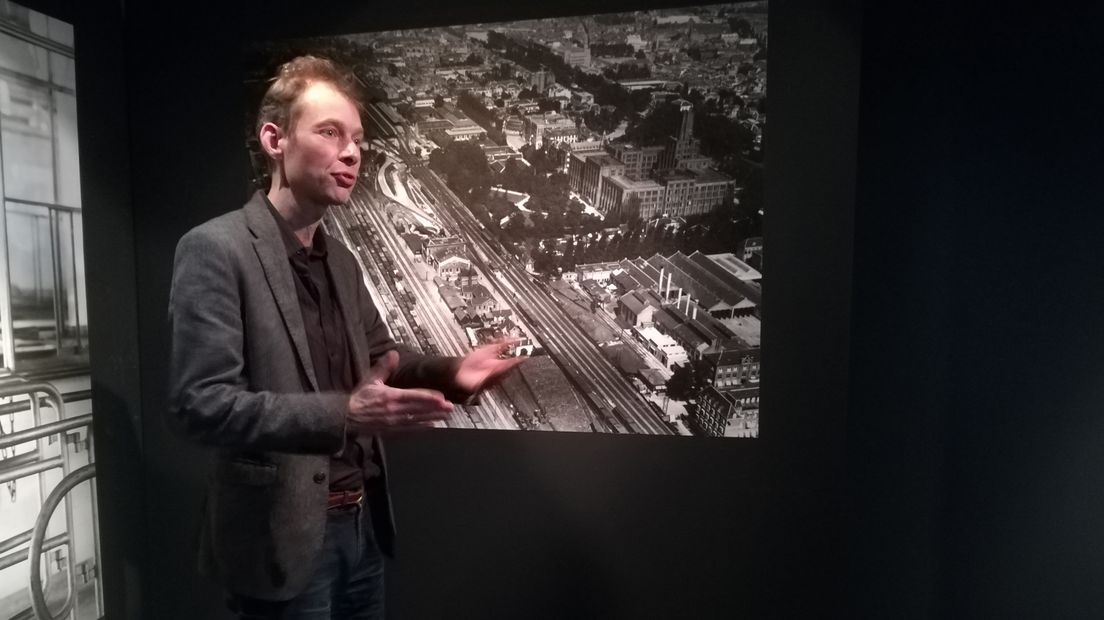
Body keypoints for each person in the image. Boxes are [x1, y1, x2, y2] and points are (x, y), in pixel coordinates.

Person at [168, 55, 523, 619]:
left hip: (361, 530)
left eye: (357, 138)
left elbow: (381, 361)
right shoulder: (216, 249)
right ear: (274, 139)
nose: (352, 152)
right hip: (283, 542)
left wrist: (453, 373)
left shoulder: (344, 260)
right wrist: (344, 414)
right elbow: (201, 405)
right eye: (330, 133)